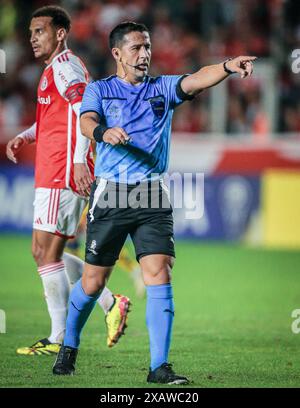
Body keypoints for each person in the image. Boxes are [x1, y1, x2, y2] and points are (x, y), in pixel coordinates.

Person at [53, 21, 256, 383]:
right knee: (93, 283)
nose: (145, 54)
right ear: (117, 53)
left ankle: (159, 367)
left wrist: (227, 66)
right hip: (112, 193)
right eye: (136, 48)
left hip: (152, 194)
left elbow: (196, 78)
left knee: (158, 273)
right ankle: (69, 345)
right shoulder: (99, 90)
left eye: (147, 47)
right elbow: (86, 122)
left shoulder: (162, 88)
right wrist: (103, 133)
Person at [6, 6, 131, 355]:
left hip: (63, 170)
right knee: (46, 251)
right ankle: (110, 303)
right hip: (52, 168)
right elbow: (55, 120)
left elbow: (82, 113)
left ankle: (58, 337)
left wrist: (79, 162)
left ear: (60, 33)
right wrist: (27, 136)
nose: (33, 38)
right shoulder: (52, 71)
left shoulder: (66, 67)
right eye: (31, 32)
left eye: (40, 31)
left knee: (45, 252)